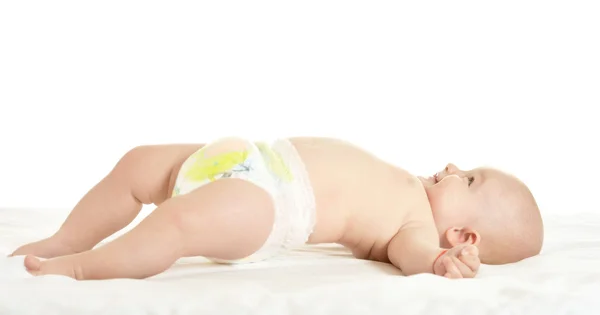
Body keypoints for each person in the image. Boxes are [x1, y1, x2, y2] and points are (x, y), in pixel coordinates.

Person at [9, 136, 544, 280]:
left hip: (270, 205)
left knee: (177, 223)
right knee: (136, 164)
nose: (451, 166)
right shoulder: (405, 183)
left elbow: (410, 255)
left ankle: (80, 268)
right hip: (250, 157)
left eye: (467, 178)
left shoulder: (415, 228)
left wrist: (436, 264)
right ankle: (67, 238)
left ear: (462, 236)